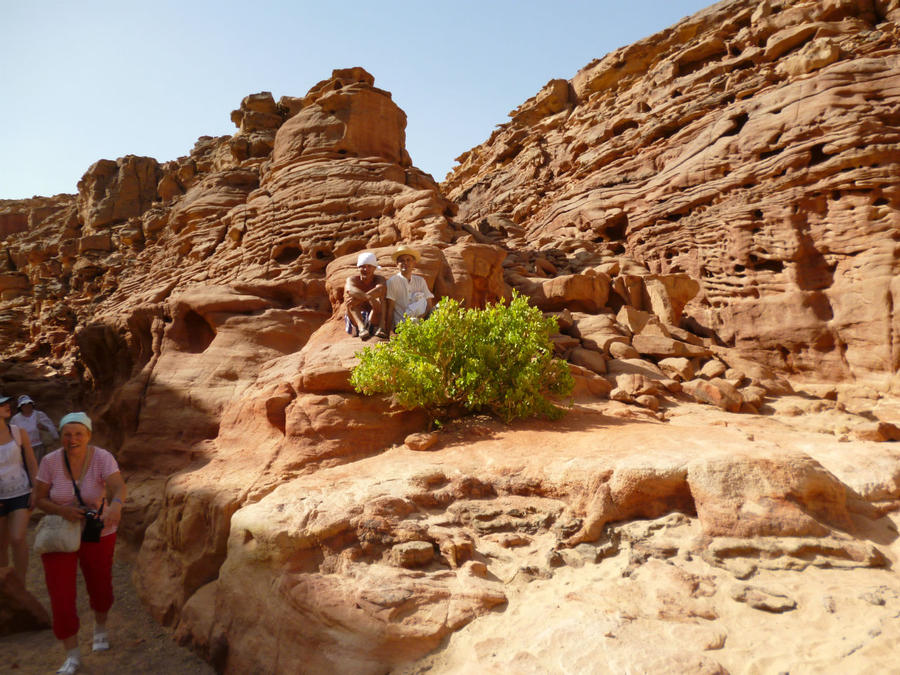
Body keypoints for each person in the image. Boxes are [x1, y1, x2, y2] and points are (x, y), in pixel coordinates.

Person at [34, 412, 126, 675]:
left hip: (97, 531)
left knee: (100, 586)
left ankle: (100, 628)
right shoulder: (50, 461)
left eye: (78, 434)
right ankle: (72, 655)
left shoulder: (102, 457)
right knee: (60, 594)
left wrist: (116, 505)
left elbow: (118, 487)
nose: (72, 439)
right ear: (60, 435)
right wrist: (61, 510)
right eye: (67, 434)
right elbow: (38, 499)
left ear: (88, 435)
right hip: (60, 532)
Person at [0, 393, 38, 585]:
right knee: (1, 546)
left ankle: (21, 585)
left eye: (7, 403)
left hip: (21, 491)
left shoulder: (17, 432)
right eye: (1, 405)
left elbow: (31, 462)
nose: (7, 406)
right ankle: (6, 587)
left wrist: (35, 490)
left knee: (17, 538)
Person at [386, 245, 434, 330]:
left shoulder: (420, 281)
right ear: (397, 264)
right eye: (402, 261)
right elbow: (390, 308)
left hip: (421, 323)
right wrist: (389, 332)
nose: (405, 263)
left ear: (414, 263)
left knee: (437, 309)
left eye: (408, 260)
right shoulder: (392, 282)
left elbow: (429, 304)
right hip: (402, 326)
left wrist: (421, 319)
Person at [344, 251, 390, 340]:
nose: (366, 269)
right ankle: (361, 329)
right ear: (358, 268)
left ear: (374, 268)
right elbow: (349, 290)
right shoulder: (352, 279)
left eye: (369, 266)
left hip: (374, 317)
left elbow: (381, 289)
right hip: (356, 319)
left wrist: (361, 298)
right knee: (350, 300)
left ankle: (381, 327)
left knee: (381, 299)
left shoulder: (379, 279)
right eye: (363, 267)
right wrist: (368, 297)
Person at [12, 394, 59, 465]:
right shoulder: (16, 419)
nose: (27, 406)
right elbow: (12, 433)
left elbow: (51, 428)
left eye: (29, 404)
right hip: (24, 449)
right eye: (24, 404)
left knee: (39, 466)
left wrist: (44, 427)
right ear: (20, 407)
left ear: (32, 404)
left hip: (39, 446)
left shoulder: (39, 415)